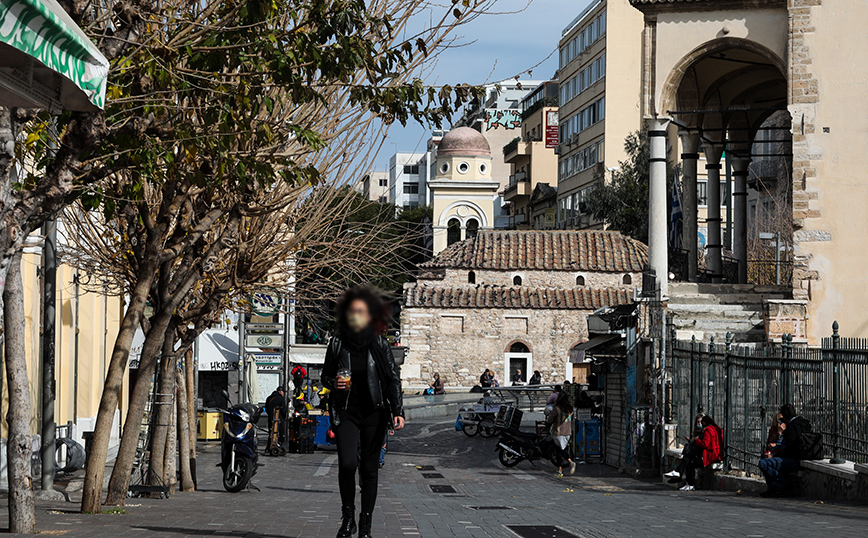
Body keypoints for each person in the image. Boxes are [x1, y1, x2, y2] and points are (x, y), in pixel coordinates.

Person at [322, 286, 404, 538]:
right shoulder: (337, 344)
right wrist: (332, 382)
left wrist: (398, 410)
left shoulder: (379, 343)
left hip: (375, 413)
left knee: (369, 469)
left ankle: (365, 523)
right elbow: (326, 376)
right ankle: (348, 518)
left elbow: (392, 378)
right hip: (346, 412)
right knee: (347, 464)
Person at [758, 404, 813, 497]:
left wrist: (774, 454)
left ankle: (781, 485)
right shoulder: (803, 423)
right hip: (801, 457)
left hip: (794, 460)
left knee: (763, 463)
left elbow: (789, 448)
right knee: (764, 458)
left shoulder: (791, 427)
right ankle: (773, 487)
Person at [679, 415, 723, 491]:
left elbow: (705, 444)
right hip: (714, 455)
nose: (700, 424)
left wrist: (696, 440)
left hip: (710, 456)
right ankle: (682, 476)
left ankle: (687, 481)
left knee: (689, 462)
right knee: (688, 459)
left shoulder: (708, 431)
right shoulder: (715, 429)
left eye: (701, 422)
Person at [546, 393, 576, 477]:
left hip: (559, 432)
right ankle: (561, 468)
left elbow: (550, 419)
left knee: (559, 451)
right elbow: (572, 420)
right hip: (568, 432)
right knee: (562, 449)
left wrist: (548, 424)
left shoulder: (557, 409)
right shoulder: (570, 409)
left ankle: (567, 464)